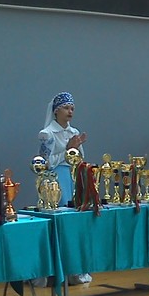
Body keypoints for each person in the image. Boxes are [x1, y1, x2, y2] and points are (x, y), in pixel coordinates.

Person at [38, 91, 91, 285]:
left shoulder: (73, 132)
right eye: (66, 108)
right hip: (55, 180)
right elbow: (44, 163)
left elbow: (79, 157)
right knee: (60, 221)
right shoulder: (47, 134)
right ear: (56, 111)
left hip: (72, 177)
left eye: (72, 108)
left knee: (74, 222)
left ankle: (74, 269)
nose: (70, 112)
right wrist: (68, 150)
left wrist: (75, 150)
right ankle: (57, 271)